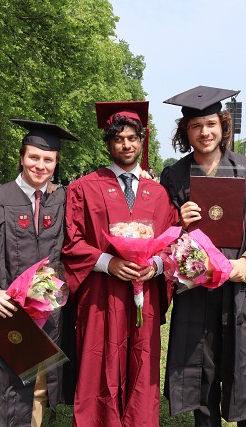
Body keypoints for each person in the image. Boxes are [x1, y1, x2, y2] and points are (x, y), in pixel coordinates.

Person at [160, 86, 246, 427]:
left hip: (241, 284)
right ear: (186, 132)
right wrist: (178, 221)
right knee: (201, 369)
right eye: (196, 126)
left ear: (223, 126)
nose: (205, 132)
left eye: (211, 124)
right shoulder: (174, 176)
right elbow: (162, 234)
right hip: (196, 289)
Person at [61, 101, 179, 426]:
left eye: (132, 138)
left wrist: (155, 266)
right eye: (118, 139)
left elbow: (172, 243)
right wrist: (106, 262)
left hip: (145, 295)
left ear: (142, 141)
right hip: (101, 295)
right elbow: (72, 241)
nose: (126, 145)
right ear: (109, 143)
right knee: (99, 362)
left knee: (142, 361)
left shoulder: (159, 194)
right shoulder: (84, 188)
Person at [0, 119, 78, 427]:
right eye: (34, 157)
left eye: (48, 159)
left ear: (56, 162)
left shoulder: (64, 200)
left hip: (47, 313)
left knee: (39, 385)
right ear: (21, 157)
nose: (40, 165)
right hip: (4, 308)